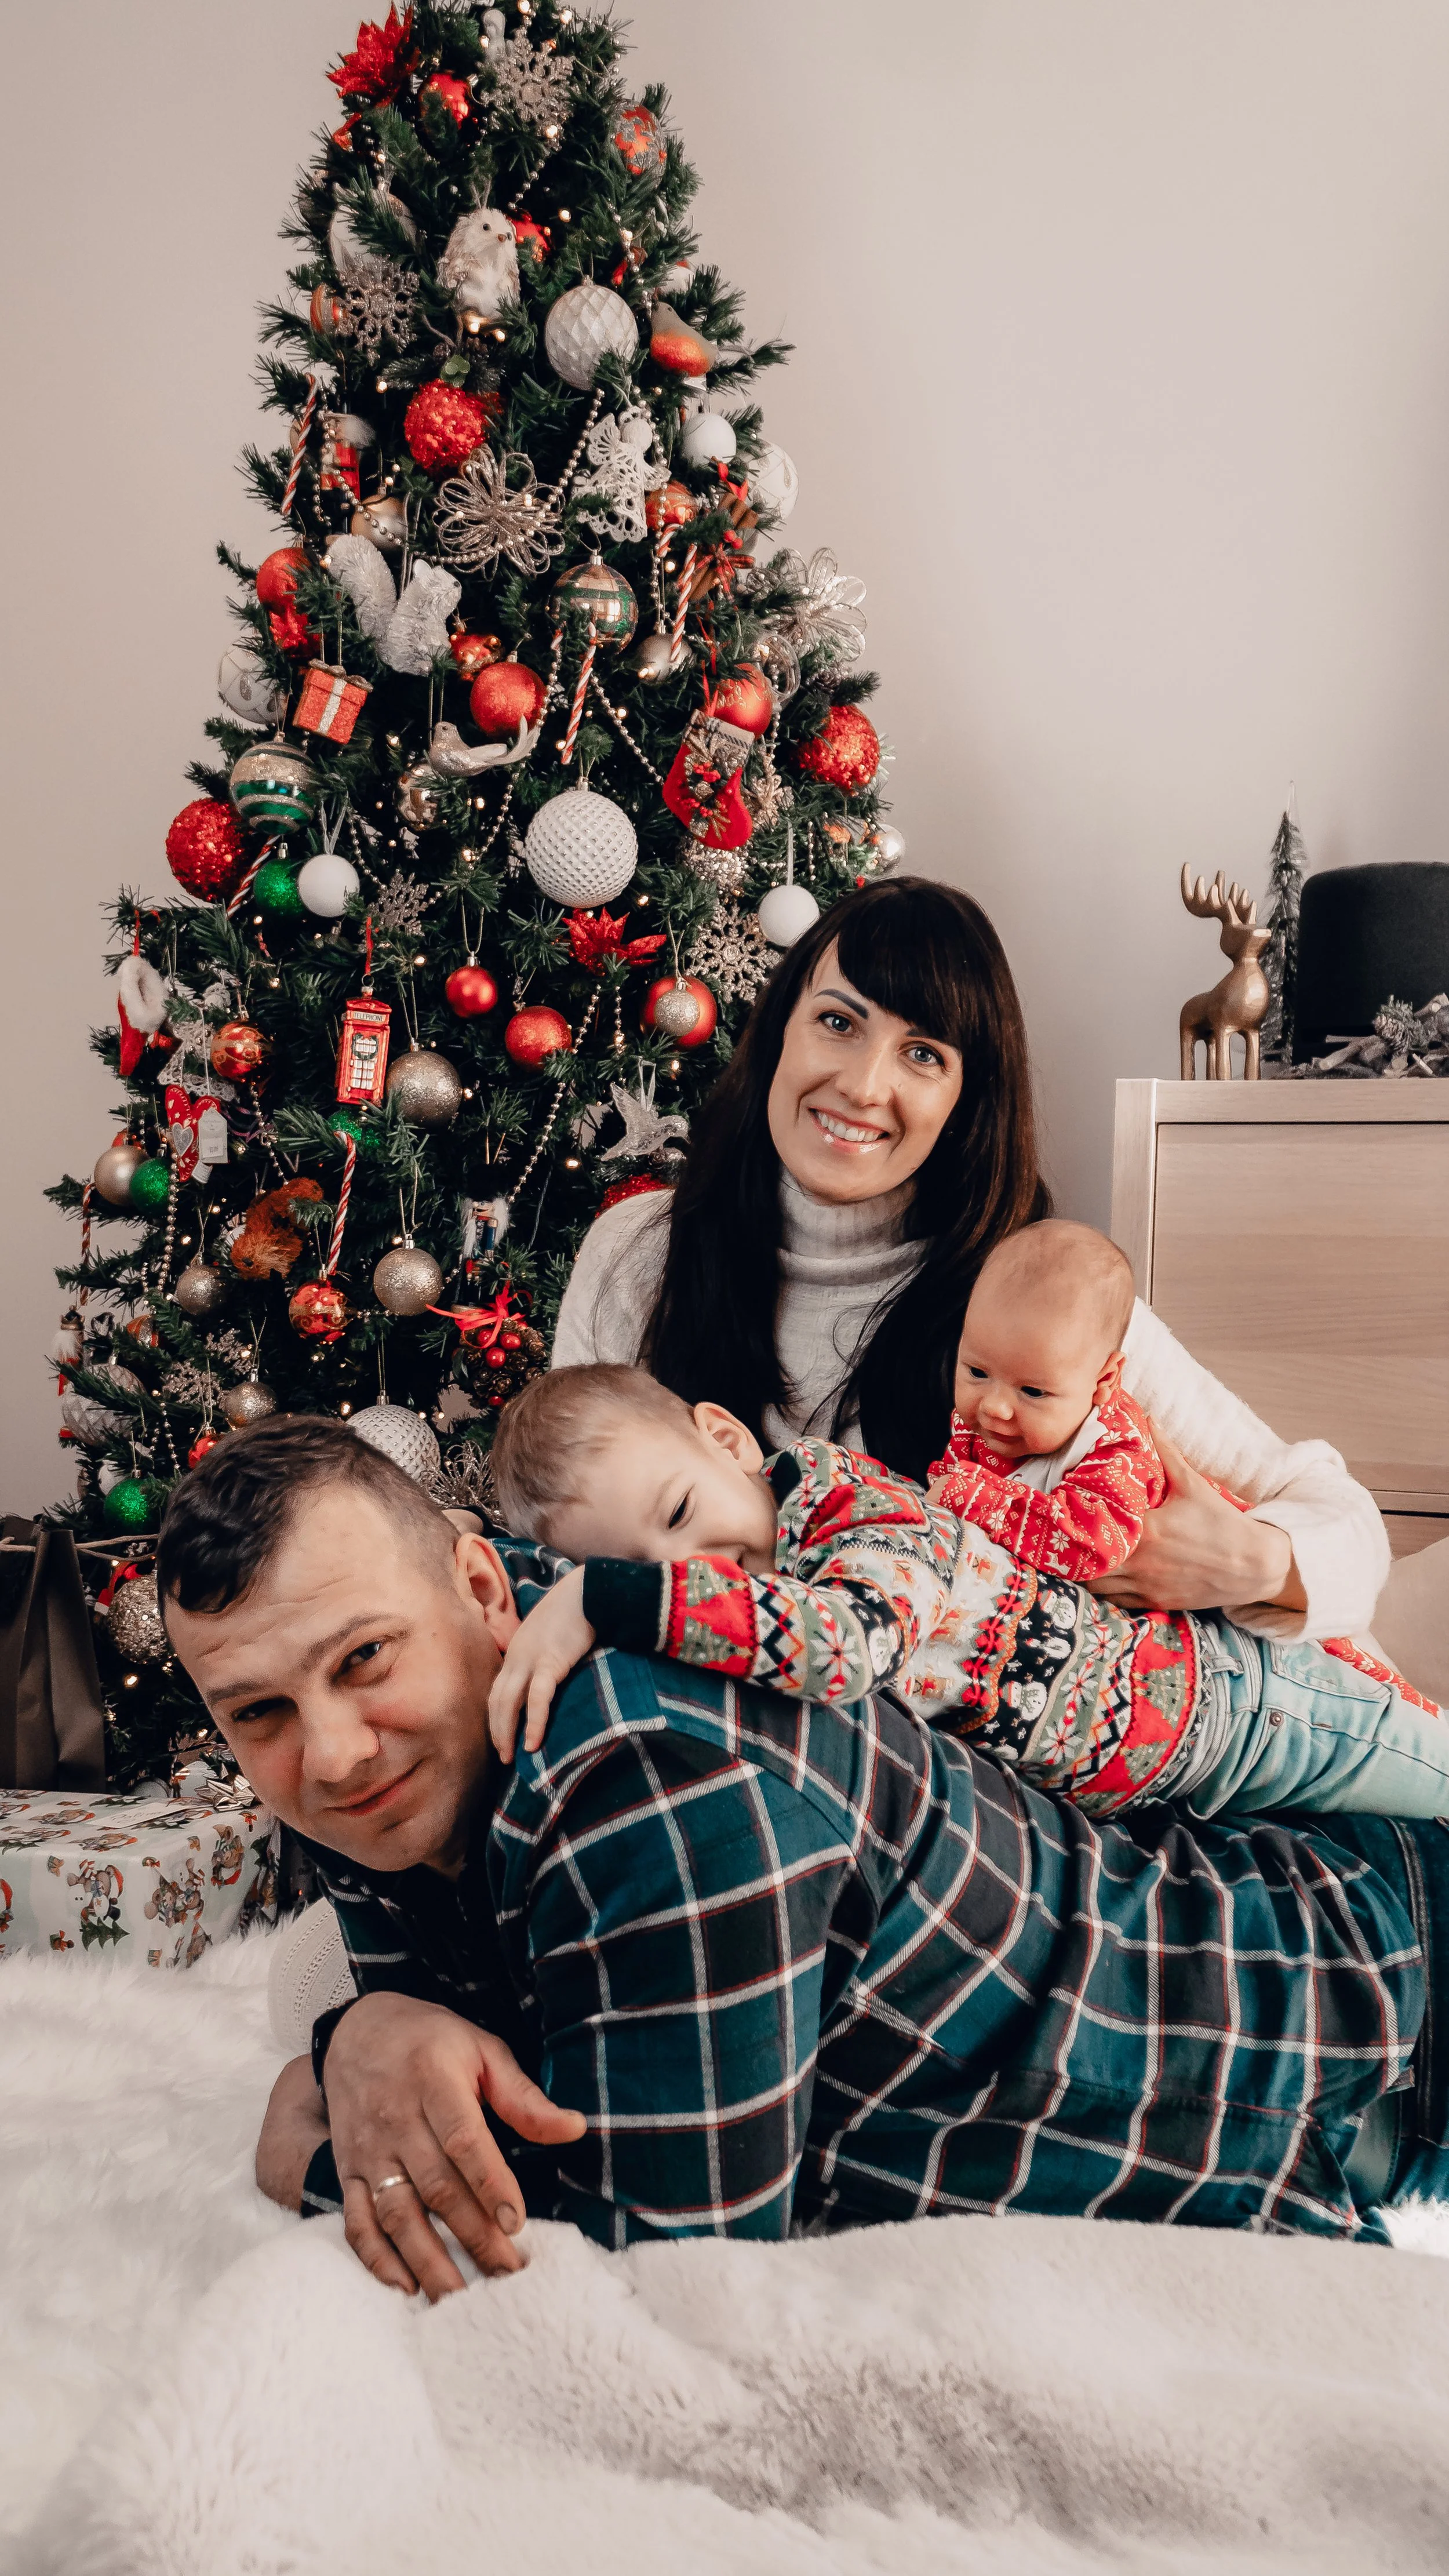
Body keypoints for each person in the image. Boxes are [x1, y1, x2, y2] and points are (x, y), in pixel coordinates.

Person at [159, 1417, 1449, 2304]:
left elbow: (668, 2263)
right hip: (1243, 2118)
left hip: (1365, 1980)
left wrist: (321, 2159)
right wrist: (362, 2029)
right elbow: (480, 2032)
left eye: (364, 1658)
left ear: (489, 1591)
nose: (328, 1753)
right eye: (257, 1712)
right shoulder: (378, 1767)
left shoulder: (640, 1762)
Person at [552, 877, 1389, 1646]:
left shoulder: (1034, 1302)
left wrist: (1249, 1562)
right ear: (779, 1033)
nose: (864, 1085)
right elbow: (560, 1521)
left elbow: (1346, 1523)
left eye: (924, 1055)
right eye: (838, 1023)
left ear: (963, 1101)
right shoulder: (638, 1254)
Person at [484, 1362, 1449, 1822]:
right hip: (1161, 1789)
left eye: (684, 1508)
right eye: (648, 1567)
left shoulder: (857, 1521)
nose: (694, 1567)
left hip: (1242, 1712)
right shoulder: (753, 1590)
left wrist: (607, 1599)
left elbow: (845, 1646)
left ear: (729, 1441)